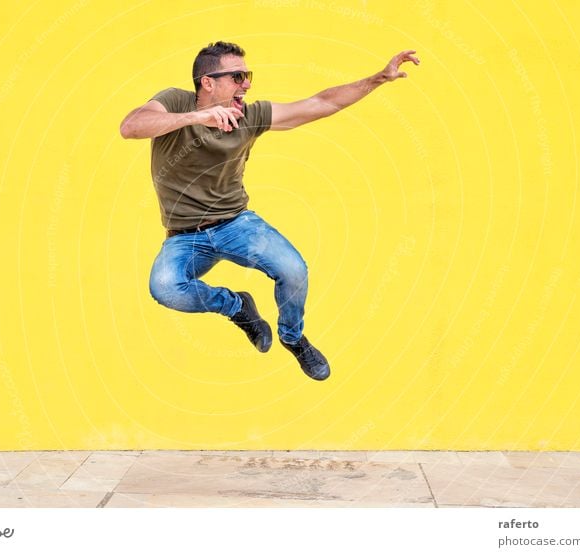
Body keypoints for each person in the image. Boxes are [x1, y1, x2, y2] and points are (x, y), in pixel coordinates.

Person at [120, 41, 419, 381]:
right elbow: (131, 127)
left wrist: (378, 78)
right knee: (165, 287)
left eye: (248, 75)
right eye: (237, 76)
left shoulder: (250, 115)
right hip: (185, 238)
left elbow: (319, 104)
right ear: (207, 82)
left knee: (294, 270)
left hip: (236, 224)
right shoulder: (175, 101)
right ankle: (238, 308)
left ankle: (293, 337)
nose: (246, 83)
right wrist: (197, 117)